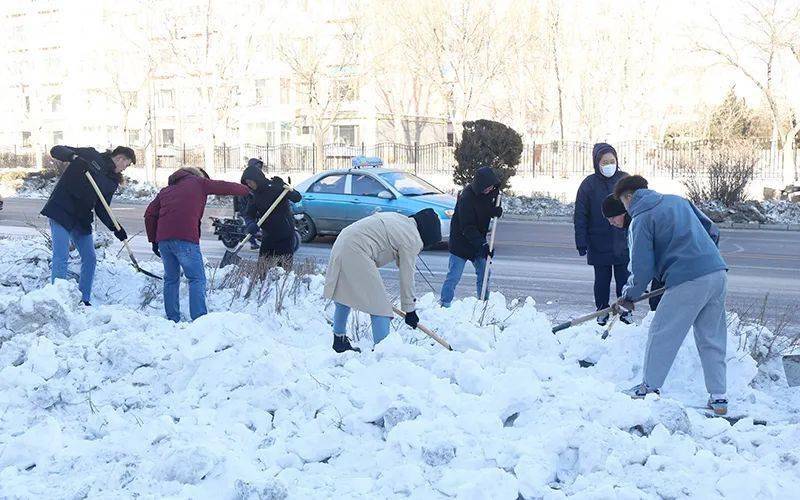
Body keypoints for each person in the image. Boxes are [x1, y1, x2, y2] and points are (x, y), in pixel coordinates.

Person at [613, 175, 728, 415]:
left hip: (688, 278)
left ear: (629, 196)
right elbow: (712, 230)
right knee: (711, 336)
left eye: (623, 203)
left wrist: (629, 296)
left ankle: (649, 387)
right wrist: (702, 258)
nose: (624, 208)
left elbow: (641, 268)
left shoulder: (641, 218)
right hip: (717, 272)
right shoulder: (678, 201)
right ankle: (718, 397)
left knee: (662, 332)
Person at [324, 209, 442, 353]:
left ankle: (339, 340)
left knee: (344, 293)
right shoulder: (413, 239)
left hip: (343, 240)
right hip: (357, 249)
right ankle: (383, 352)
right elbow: (407, 275)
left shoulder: (400, 220)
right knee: (380, 306)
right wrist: (410, 310)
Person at [144, 167, 250, 322]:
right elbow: (223, 186)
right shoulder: (198, 182)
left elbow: (149, 214)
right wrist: (247, 190)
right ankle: (199, 319)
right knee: (196, 279)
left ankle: (172, 318)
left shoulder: (166, 190)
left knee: (171, 279)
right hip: (185, 238)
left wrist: (153, 240)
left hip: (164, 240)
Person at [41, 145, 136, 306]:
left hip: (81, 218)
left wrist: (116, 228)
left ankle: (83, 300)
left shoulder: (111, 181)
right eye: (126, 165)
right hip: (62, 209)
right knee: (61, 255)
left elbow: (102, 208)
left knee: (90, 258)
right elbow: (56, 150)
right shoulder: (91, 156)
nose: (124, 170)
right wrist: (73, 157)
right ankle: (57, 300)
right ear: (121, 158)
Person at [574, 143, 630, 325]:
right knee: (601, 282)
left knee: (625, 280)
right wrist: (581, 240)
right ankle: (602, 310)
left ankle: (625, 311)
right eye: (604, 162)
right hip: (598, 241)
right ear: (597, 163)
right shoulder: (588, 185)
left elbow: (636, 209)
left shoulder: (625, 180)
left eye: (612, 161)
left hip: (623, 242)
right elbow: (580, 215)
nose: (609, 165)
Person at [440, 166, 501, 307]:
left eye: (491, 187)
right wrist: (483, 245)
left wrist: (495, 210)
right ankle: (444, 304)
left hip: (477, 241)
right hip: (461, 242)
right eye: (487, 188)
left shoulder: (492, 193)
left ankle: (482, 303)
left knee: (484, 272)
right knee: (454, 276)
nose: (489, 190)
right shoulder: (466, 198)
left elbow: (486, 209)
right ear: (480, 186)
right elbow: (467, 227)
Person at [603, 194, 665, 312]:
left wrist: (628, 297)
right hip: (672, 268)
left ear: (623, 212)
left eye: (612, 217)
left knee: (659, 306)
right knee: (656, 302)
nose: (611, 222)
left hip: (675, 270)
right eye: (608, 219)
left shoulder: (638, 225)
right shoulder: (642, 218)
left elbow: (642, 267)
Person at [240, 159, 302, 269]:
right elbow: (248, 214)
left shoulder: (275, 187)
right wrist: (250, 224)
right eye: (247, 183)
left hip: (285, 235)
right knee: (262, 269)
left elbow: (297, 197)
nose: (249, 185)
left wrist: (284, 186)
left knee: (283, 271)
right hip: (268, 236)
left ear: (256, 178)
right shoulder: (254, 196)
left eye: (250, 182)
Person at [235, 159, 262, 250]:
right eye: (257, 166)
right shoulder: (247, 177)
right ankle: (253, 243)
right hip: (245, 206)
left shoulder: (259, 177)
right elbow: (242, 194)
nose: (259, 168)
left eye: (260, 166)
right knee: (250, 223)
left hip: (255, 205)